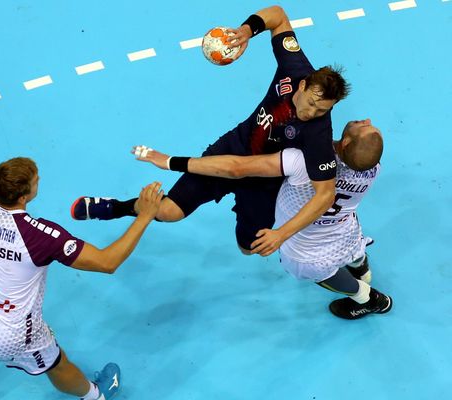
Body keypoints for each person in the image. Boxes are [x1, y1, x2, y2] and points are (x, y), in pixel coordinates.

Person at [71, 5, 349, 257]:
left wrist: (281, 233)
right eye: (312, 104)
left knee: (249, 248)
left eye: (323, 110)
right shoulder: (295, 67)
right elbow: (277, 14)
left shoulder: (318, 134)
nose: (312, 113)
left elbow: (325, 195)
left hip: (264, 182)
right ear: (302, 86)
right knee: (169, 211)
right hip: (235, 147)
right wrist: (246, 31)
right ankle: (115, 208)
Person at [0, 125, 164, 400]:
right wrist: (144, 215)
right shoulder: (41, 235)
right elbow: (107, 262)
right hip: (12, 335)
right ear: (25, 195)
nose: (39, 180)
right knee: (56, 363)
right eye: (36, 180)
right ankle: (97, 396)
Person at [132, 119, 392, 319]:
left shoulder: (302, 162)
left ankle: (368, 299)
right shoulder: (371, 168)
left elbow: (236, 168)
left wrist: (169, 161)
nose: (365, 120)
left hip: (308, 248)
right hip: (343, 228)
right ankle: (362, 268)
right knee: (353, 247)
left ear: (345, 143)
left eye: (364, 126)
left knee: (327, 274)